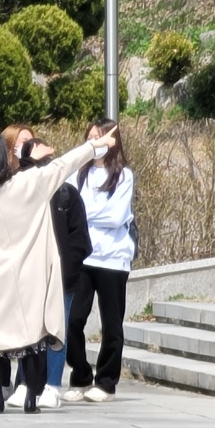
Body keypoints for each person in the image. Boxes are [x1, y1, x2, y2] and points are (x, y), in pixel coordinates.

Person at [0, 127, 116, 413]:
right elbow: (63, 164)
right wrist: (94, 146)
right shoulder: (27, 184)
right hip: (28, 273)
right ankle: (32, 399)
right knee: (32, 338)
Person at [7, 136, 90, 410]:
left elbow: (80, 241)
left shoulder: (67, 194)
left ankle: (53, 385)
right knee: (27, 334)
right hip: (29, 277)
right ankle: (24, 383)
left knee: (56, 334)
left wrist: (66, 271)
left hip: (61, 279)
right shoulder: (21, 195)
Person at [65, 119, 136, 402]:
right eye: (90, 137)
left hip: (113, 259)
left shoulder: (123, 175)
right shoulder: (76, 175)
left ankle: (106, 381)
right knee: (72, 320)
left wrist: (86, 212)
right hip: (83, 257)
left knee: (111, 324)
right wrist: (92, 212)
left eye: (100, 137)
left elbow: (117, 216)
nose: (94, 142)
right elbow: (71, 210)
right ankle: (80, 375)